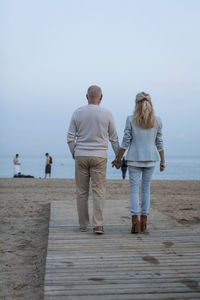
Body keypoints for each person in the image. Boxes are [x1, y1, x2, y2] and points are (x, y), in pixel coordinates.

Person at [67, 85, 120, 234]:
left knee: (81, 192)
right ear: (101, 97)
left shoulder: (77, 113)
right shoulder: (107, 113)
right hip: (99, 156)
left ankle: (83, 224)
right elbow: (114, 139)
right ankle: (98, 224)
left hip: (81, 155)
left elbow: (70, 138)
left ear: (86, 97)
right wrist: (118, 157)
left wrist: (74, 153)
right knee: (99, 191)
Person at [112, 92, 165, 233]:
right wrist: (163, 161)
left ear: (136, 104)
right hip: (151, 159)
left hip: (134, 159)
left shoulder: (130, 119)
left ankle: (135, 222)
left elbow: (126, 141)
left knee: (134, 190)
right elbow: (159, 142)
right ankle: (144, 222)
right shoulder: (157, 120)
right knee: (146, 189)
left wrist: (118, 159)